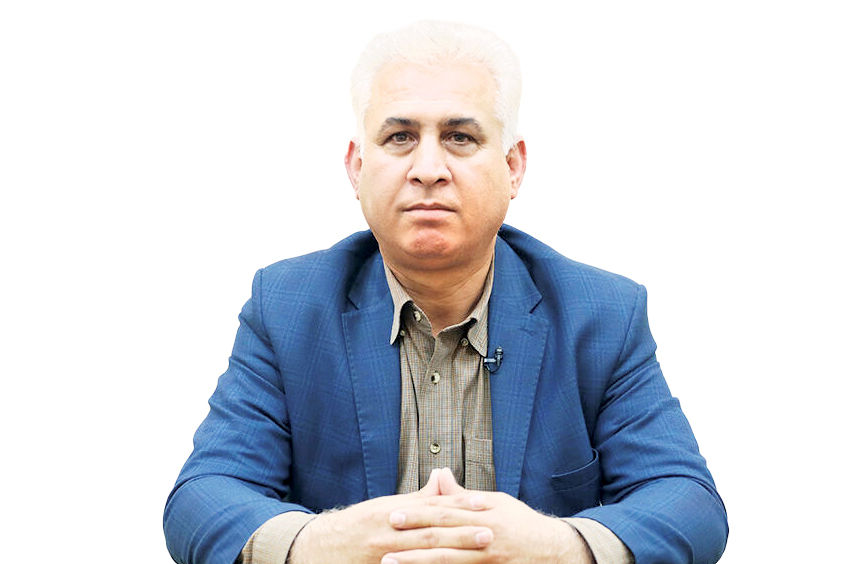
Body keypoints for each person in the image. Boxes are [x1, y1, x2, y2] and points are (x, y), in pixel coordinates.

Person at [164, 20, 728, 564]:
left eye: (460, 137)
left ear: (513, 167)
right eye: (400, 137)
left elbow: (688, 503)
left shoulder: (601, 315)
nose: (428, 168)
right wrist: (322, 543)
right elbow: (202, 498)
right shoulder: (287, 307)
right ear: (357, 167)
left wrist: (556, 547)